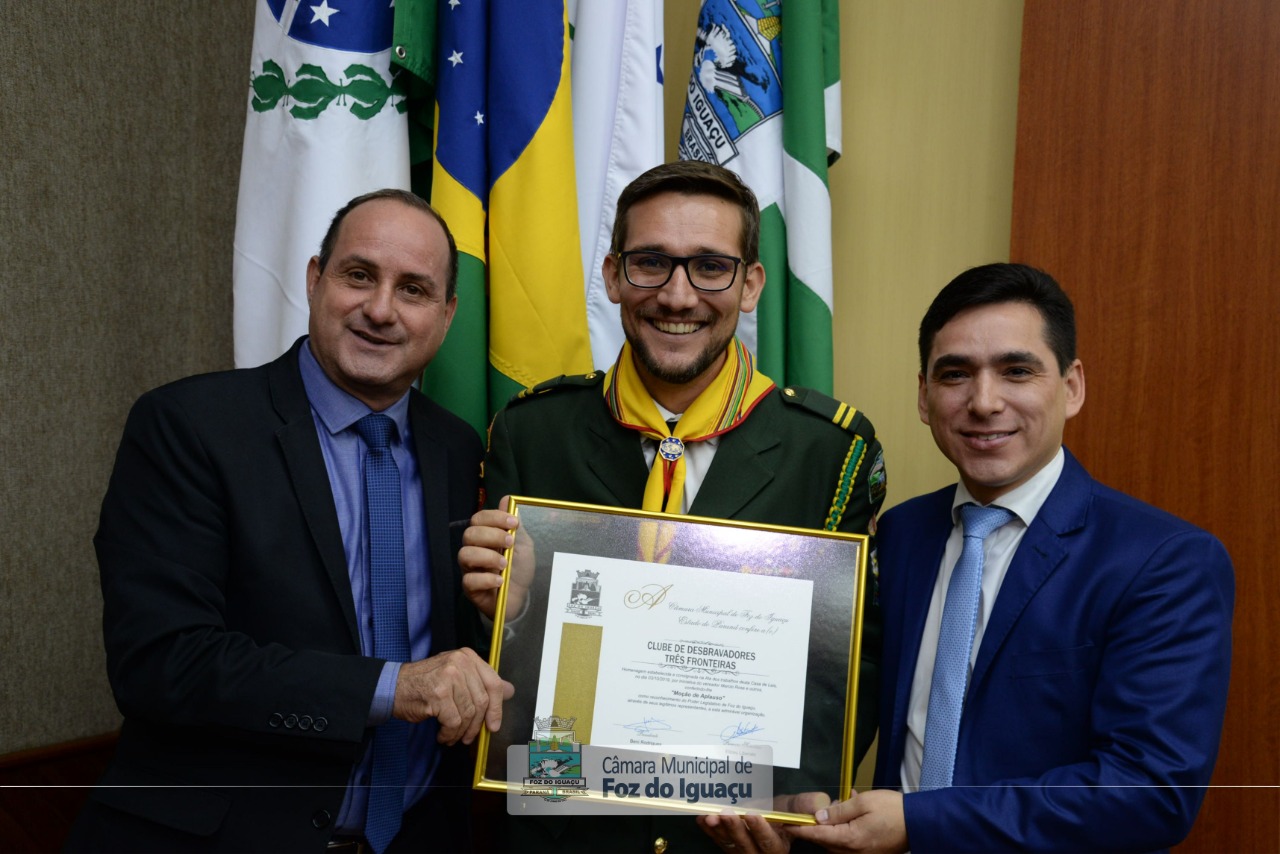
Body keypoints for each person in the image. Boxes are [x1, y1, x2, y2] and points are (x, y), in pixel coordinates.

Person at [702, 263, 1234, 853]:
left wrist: (923, 823)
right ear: (925, 397)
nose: (984, 402)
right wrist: (780, 797)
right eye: (955, 374)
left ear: (1072, 386)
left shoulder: (1165, 561)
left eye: (1017, 371)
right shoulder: (901, 535)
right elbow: (831, 689)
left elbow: (1150, 792)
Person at [66, 189, 513, 853]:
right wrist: (396, 686)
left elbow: (458, 652)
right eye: (359, 276)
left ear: (446, 317)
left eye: (413, 290)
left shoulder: (458, 448)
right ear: (313, 280)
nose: (381, 310)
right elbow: (162, 663)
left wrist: (501, 612)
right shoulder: (192, 427)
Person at [460, 160, 888, 852]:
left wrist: (786, 805)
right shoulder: (530, 432)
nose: (678, 295)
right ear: (612, 276)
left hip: (736, 838)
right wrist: (510, 615)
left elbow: (846, 668)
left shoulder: (829, 451)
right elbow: (486, 665)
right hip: (565, 835)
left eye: (711, 267)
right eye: (651, 263)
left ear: (750, 285)